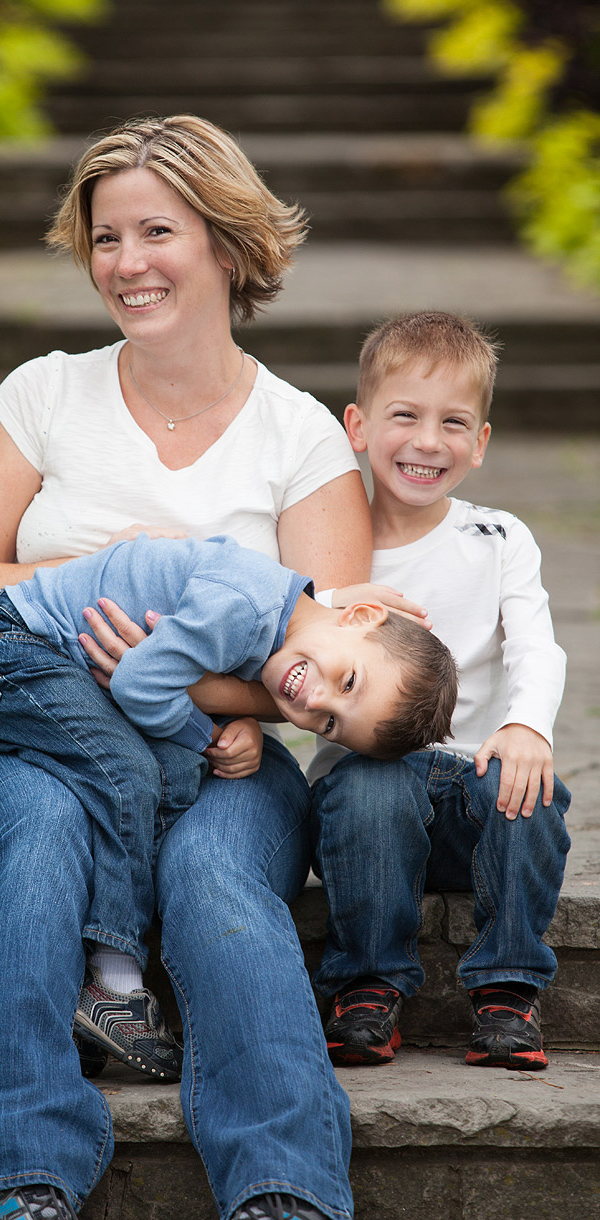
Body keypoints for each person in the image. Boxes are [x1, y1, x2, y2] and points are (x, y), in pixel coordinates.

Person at [0, 113, 379, 1220]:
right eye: (105, 237)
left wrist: (179, 683)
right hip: (25, 740)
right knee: (41, 833)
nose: (125, 264)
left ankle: (285, 1188)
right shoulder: (44, 395)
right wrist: (105, 580)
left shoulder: (301, 436)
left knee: (216, 880)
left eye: (155, 232)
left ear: (225, 243)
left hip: (222, 764)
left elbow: (319, 673)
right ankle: (22, 1175)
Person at [0, 533, 457, 1080]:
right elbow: (141, 683)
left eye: (330, 724)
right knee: (130, 776)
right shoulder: (243, 606)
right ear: (358, 614)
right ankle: (113, 983)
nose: (314, 702)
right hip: (11, 652)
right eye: (348, 681)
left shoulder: (276, 621)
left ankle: (88, 976)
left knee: (168, 776)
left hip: (51, 668)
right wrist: (205, 734)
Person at [308, 311, 572, 1072]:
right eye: (404, 416)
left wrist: (526, 727)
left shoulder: (496, 537)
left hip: (476, 791)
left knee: (527, 790)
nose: (427, 441)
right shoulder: (328, 542)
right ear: (356, 426)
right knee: (370, 791)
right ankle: (366, 987)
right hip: (365, 800)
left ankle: (507, 991)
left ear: (479, 442)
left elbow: (534, 644)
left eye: (453, 422)